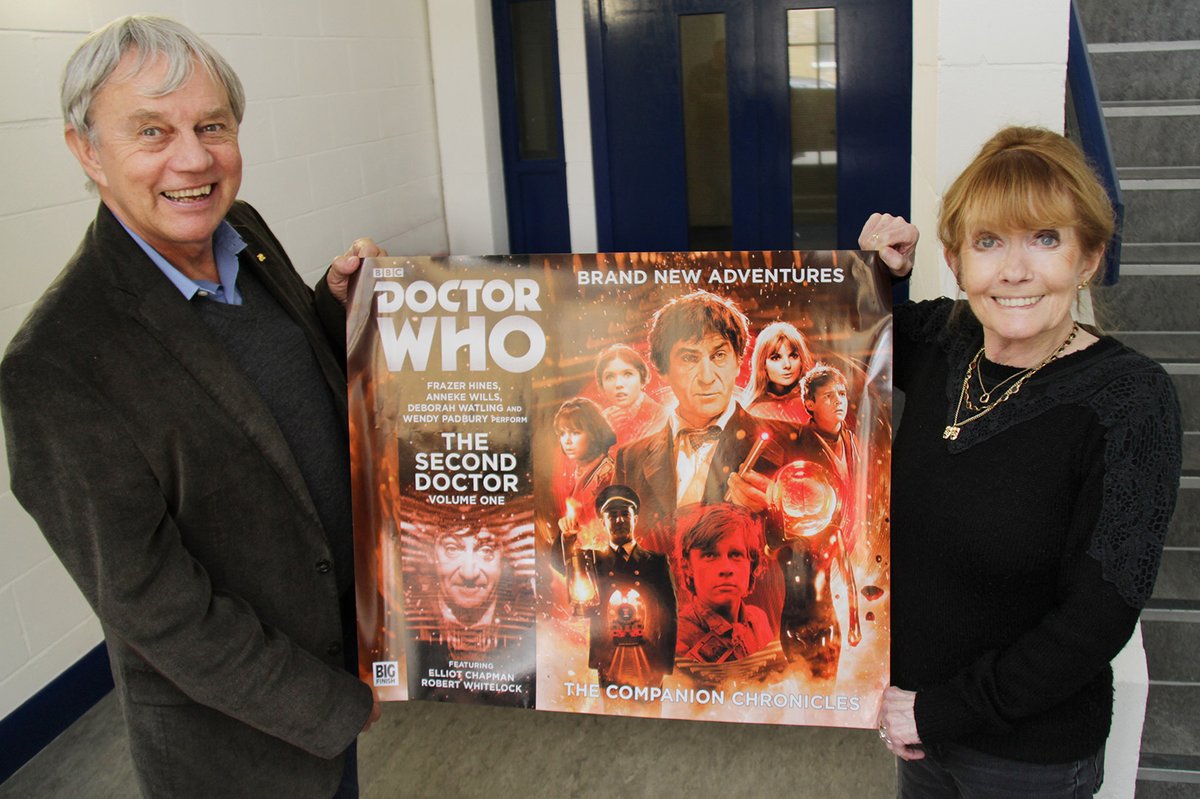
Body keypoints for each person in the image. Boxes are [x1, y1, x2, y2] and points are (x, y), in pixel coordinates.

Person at [0, 16, 386, 798]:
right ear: (87, 150)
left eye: (212, 125)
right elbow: (153, 605)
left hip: (335, 651)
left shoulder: (240, 231)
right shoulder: (56, 365)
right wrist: (330, 703)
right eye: (152, 131)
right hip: (237, 745)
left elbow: (259, 388)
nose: (193, 157)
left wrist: (331, 308)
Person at [863, 126, 1182, 797]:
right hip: (917, 728)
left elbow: (1101, 614)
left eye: (1045, 239)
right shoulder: (940, 341)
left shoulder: (1130, 398)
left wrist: (941, 710)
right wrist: (876, 272)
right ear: (954, 259)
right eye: (989, 242)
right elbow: (843, 339)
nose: (1013, 271)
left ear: (1088, 255)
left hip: (1027, 756)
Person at [552, 485, 676, 688]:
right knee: (611, 713)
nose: (619, 520)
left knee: (650, 717)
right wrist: (566, 537)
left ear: (635, 519)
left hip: (648, 660)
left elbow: (670, 615)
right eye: (612, 515)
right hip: (608, 660)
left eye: (625, 515)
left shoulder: (656, 562)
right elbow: (560, 564)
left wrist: (662, 664)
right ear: (603, 522)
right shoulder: (592, 560)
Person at [675, 503, 775, 664]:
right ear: (688, 566)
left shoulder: (758, 621)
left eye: (736, 554)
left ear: (751, 563)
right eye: (710, 555)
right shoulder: (677, 636)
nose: (726, 568)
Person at [553, 397, 617, 530]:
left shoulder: (608, 475)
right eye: (562, 433)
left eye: (575, 433)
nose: (567, 441)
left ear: (594, 433)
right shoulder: (580, 472)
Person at [595, 344, 669, 443]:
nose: (618, 384)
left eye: (627, 374)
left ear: (642, 378)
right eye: (610, 377)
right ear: (602, 383)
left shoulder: (661, 416)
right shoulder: (603, 419)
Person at [744, 321, 815, 424]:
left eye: (793, 356)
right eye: (776, 358)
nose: (787, 365)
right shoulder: (755, 412)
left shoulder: (815, 406)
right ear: (762, 364)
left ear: (802, 360)